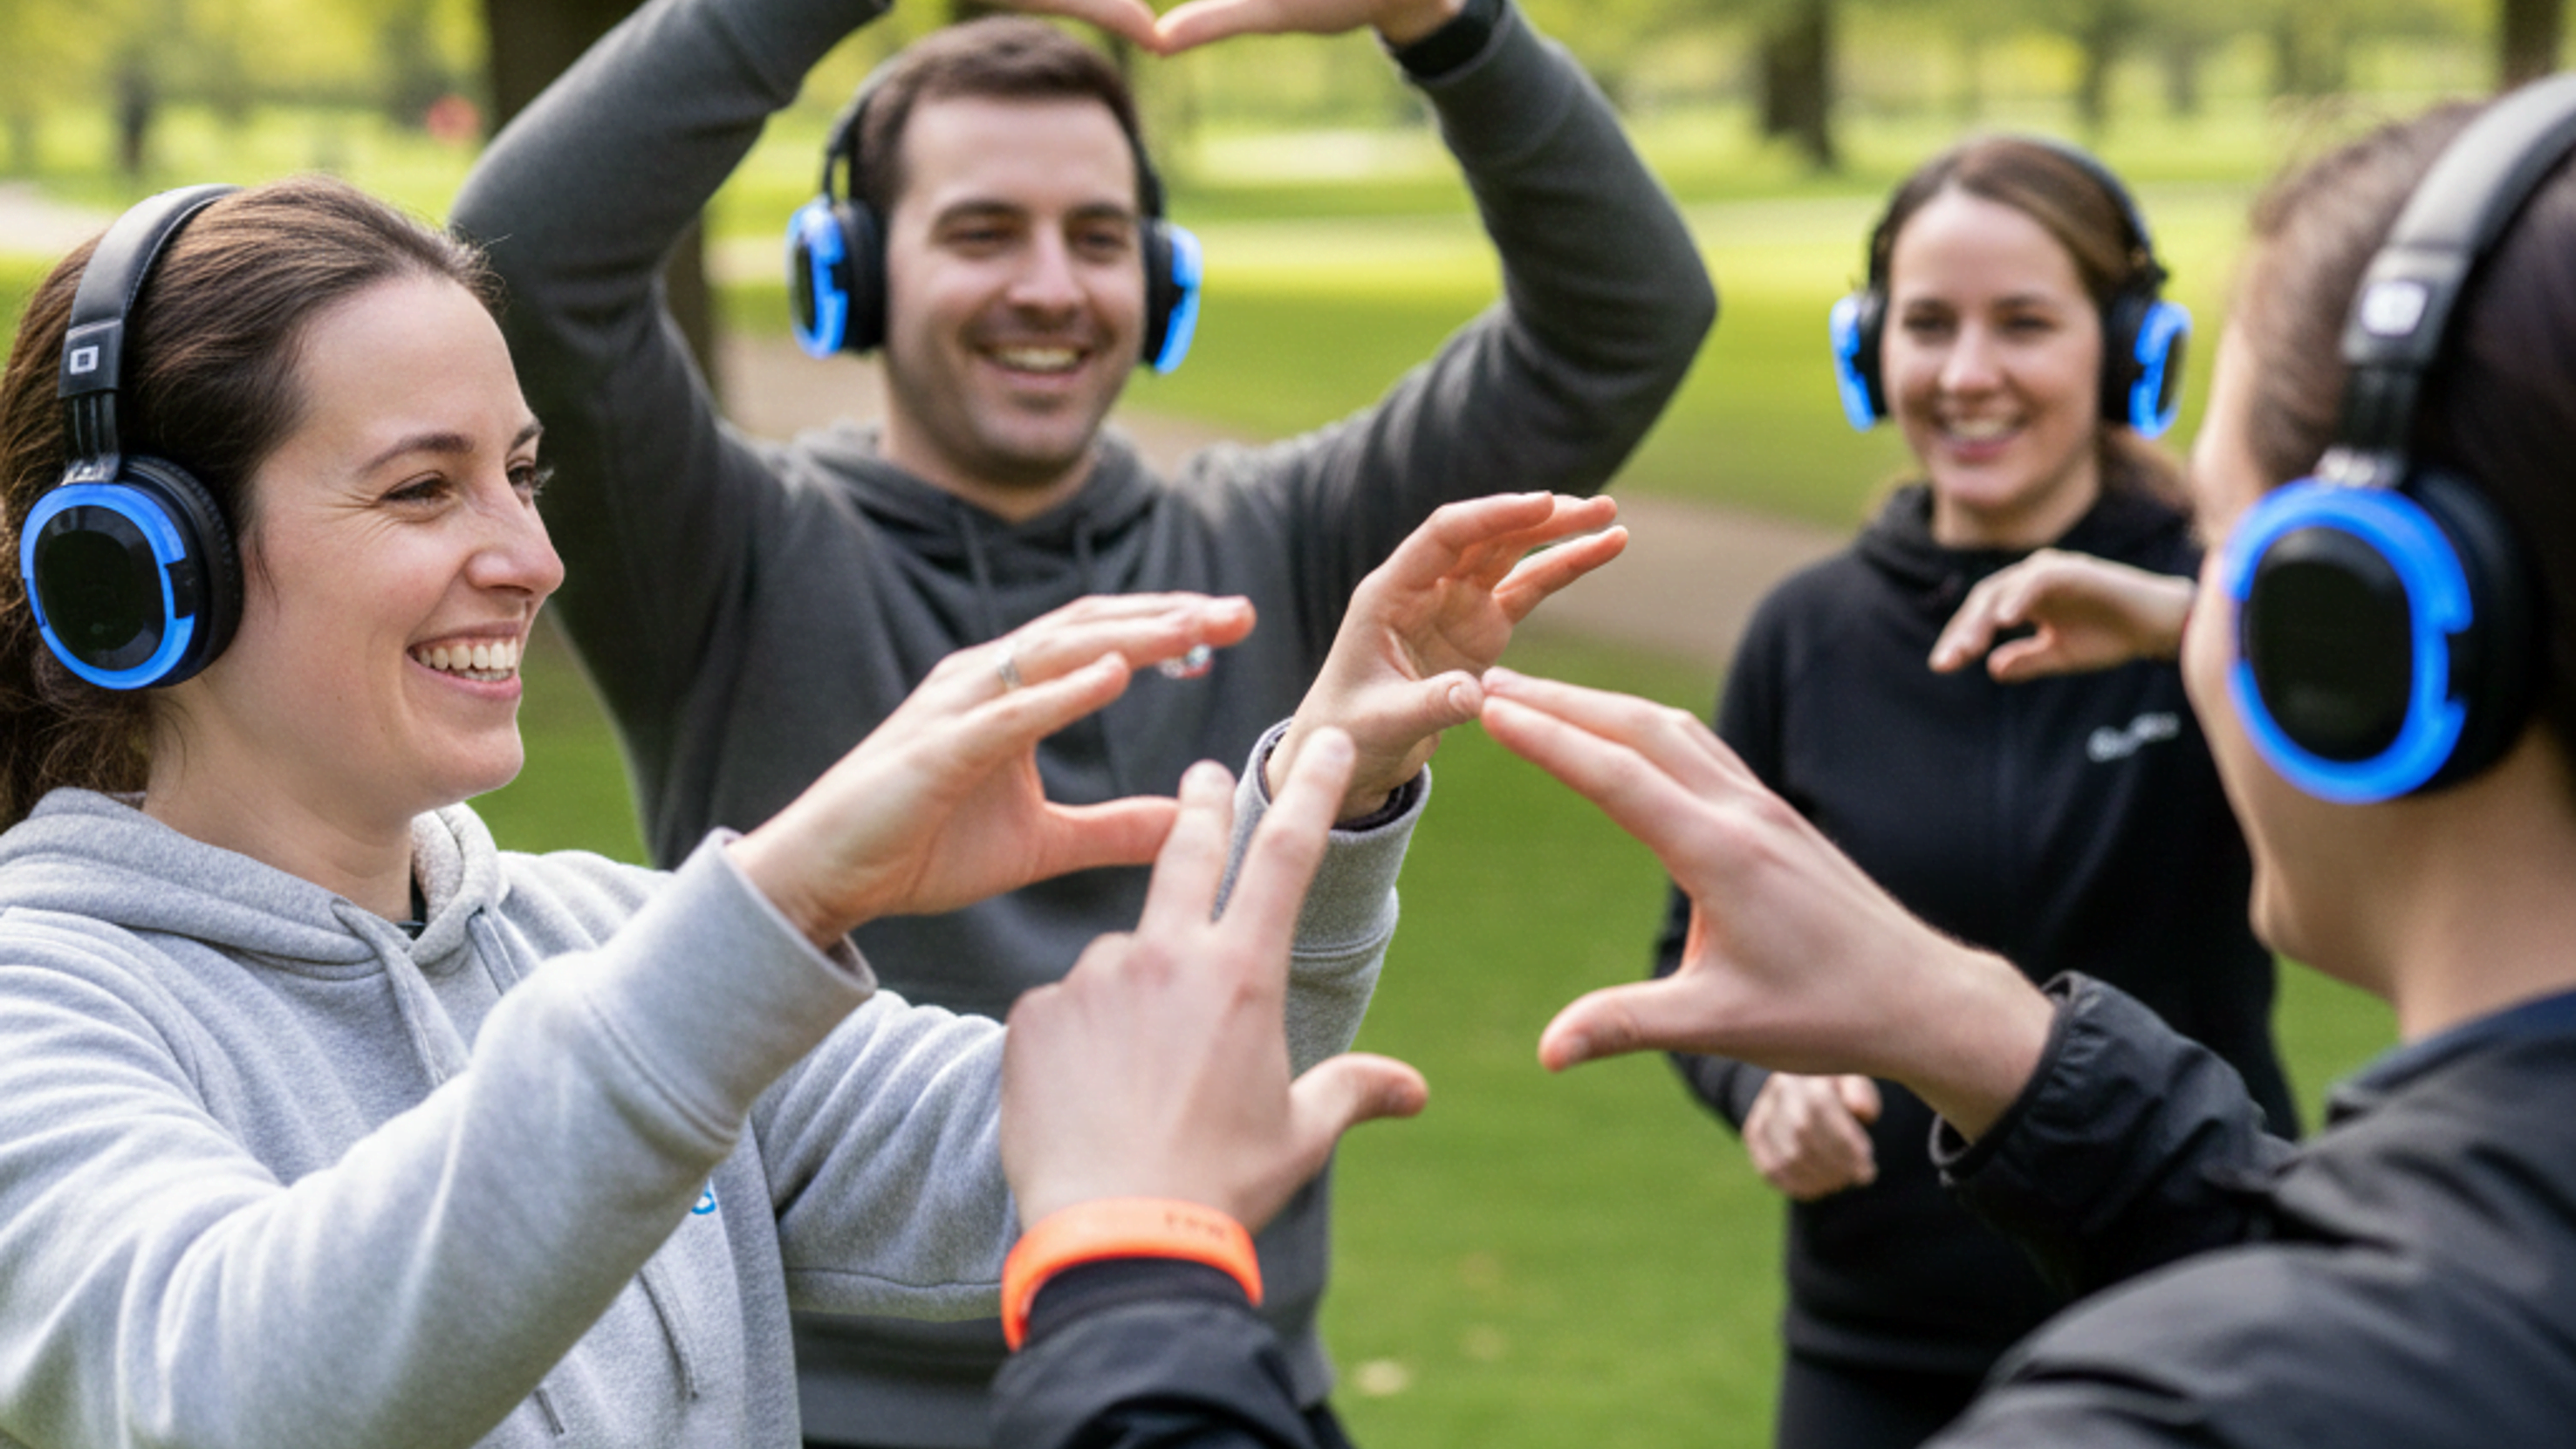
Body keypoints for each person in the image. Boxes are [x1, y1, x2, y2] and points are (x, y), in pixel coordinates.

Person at [982, 79, 2576, 1447]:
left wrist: (1134, 1265)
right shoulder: (2468, 1279)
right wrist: (1986, 1037)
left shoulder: (2194, 1404)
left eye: (2234, 557)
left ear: (2355, 634)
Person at [0, 174, 1621, 1447]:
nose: (532, 557)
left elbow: (1120, 1139)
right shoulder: (44, 1002)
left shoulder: (593, 939)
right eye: (425, 488)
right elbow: (233, 1390)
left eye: (522, 470)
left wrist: (1327, 791)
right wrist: (776, 904)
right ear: (135, 570)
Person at [448, 0, 1709, 1437]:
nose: (1051, 286)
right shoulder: (721, 548)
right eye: (983, 233)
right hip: (824, 1407)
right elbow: (526, 269)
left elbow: (1627, 315)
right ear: (850, 277)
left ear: (1158, 282)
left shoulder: (1308, 543)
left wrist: (1453, 27)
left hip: (1208, 1373)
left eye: (1097, 238)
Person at [1644, 134, 2294, 1447]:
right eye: (1928, 324)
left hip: (2189, 1320)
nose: (1967, 374)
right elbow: (1692, 955)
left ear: (2128, 351)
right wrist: (1759, 1089)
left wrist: (2187, 624)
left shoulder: (2228, 605)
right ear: (1868, 347)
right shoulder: (1803, 634)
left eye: (2026, 325)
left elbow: (2435, 747)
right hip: (1870, 1349)